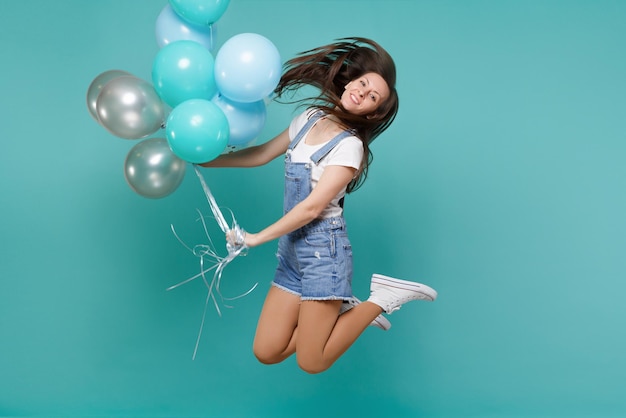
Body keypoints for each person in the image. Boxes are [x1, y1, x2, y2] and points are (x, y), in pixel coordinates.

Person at [201, 37, 437, 374]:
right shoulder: (309, 118)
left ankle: (379, 299)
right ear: (351, 79)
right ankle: (345, 316)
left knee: (312, 362)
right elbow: (262, 154)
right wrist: (208, 160)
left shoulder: (350, 147)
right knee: (266, 351)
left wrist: (255, 238)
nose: (363, 93)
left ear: (371, 112)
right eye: (363, 84)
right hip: (292, 252)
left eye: (373, 98)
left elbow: (312, 209)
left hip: (324, 255)